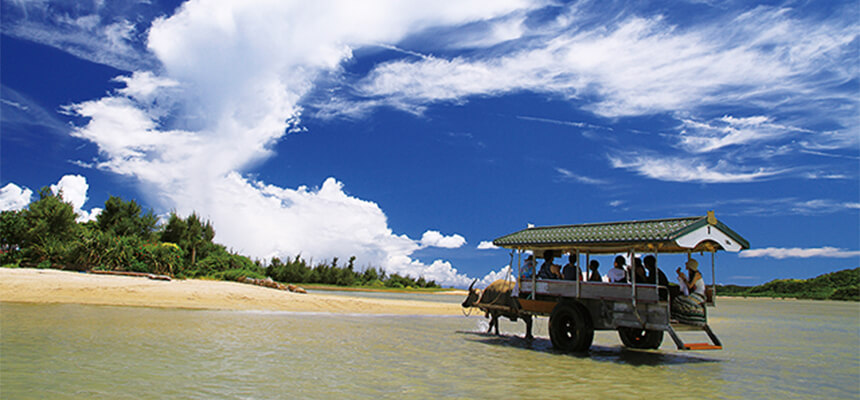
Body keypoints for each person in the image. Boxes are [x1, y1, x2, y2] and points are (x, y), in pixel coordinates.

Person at [670, 258, 707, 326]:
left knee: (678, 300)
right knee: (678, 299)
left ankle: (679, 316)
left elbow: (690, 286)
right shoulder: (692, 273)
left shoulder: (696, 274)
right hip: (695, 294)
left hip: (699, 295)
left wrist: (684, 278)